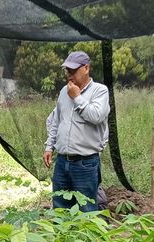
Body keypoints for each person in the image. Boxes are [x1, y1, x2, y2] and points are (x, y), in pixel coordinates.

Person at [43, 51, 111, 212]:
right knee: (60, 206)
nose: (69, 75)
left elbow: (96, 116)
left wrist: (77, 97)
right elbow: (57, 121)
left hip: (85, 163)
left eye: (73, 71)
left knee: (86, 207)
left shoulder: (99, 91)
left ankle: (87, 238)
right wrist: (49, 146)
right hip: (62, 161)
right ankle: (63, 237)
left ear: (86, 68)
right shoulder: (63, 92)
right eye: (67, 71)